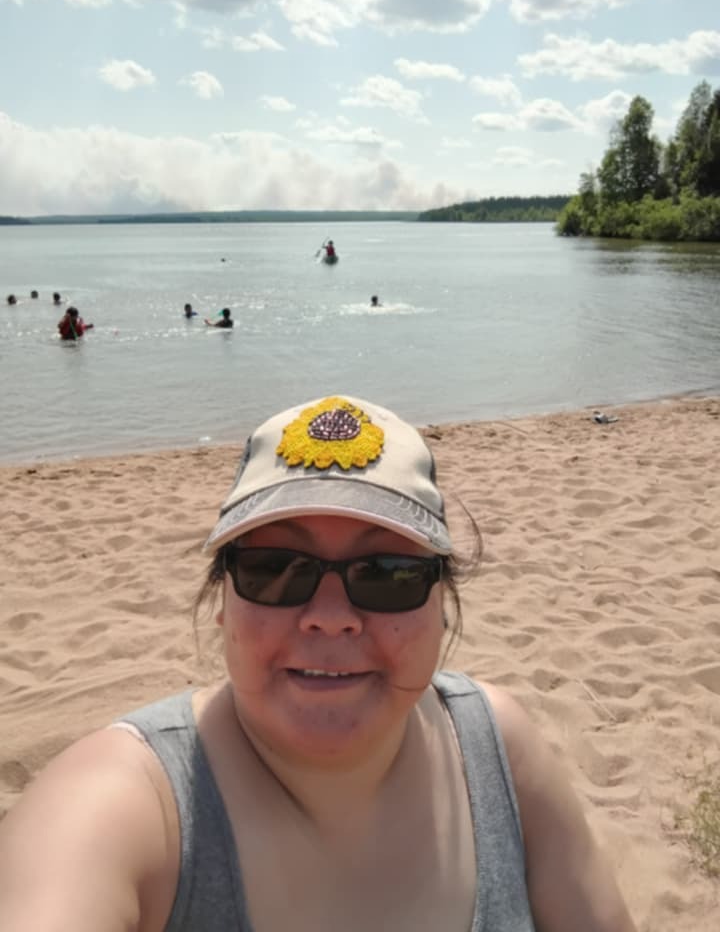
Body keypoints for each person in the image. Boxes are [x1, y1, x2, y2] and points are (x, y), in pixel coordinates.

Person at [0, 394, 637, 932]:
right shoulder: (127, 804)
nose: (330, 615)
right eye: (275, 569)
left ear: (441, 604)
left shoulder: (500, 750)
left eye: (387, 573)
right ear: (224, 602)